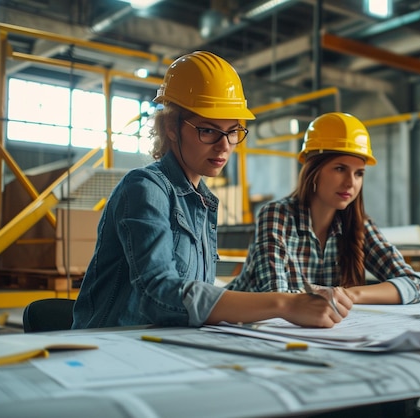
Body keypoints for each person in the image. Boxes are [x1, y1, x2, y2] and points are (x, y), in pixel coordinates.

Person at [72, 51, 352, 329]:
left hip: (167, 346)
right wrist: (285, 304)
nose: (224, 145)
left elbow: (196, 296)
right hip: (114, 348)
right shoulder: (145, 189)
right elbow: (160, 295)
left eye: (233, 131)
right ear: (171, 126)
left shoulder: (203, 202)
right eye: (208, 130)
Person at [226, 112, 420, 305]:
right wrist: (330, 297)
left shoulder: (358, 225)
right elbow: (278, 297)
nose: (350, 183)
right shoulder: (277, 216)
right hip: (238, 328)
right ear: (314, 171)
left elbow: (414, 284)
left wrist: (349, 295)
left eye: (359, 174)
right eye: (340, 169)